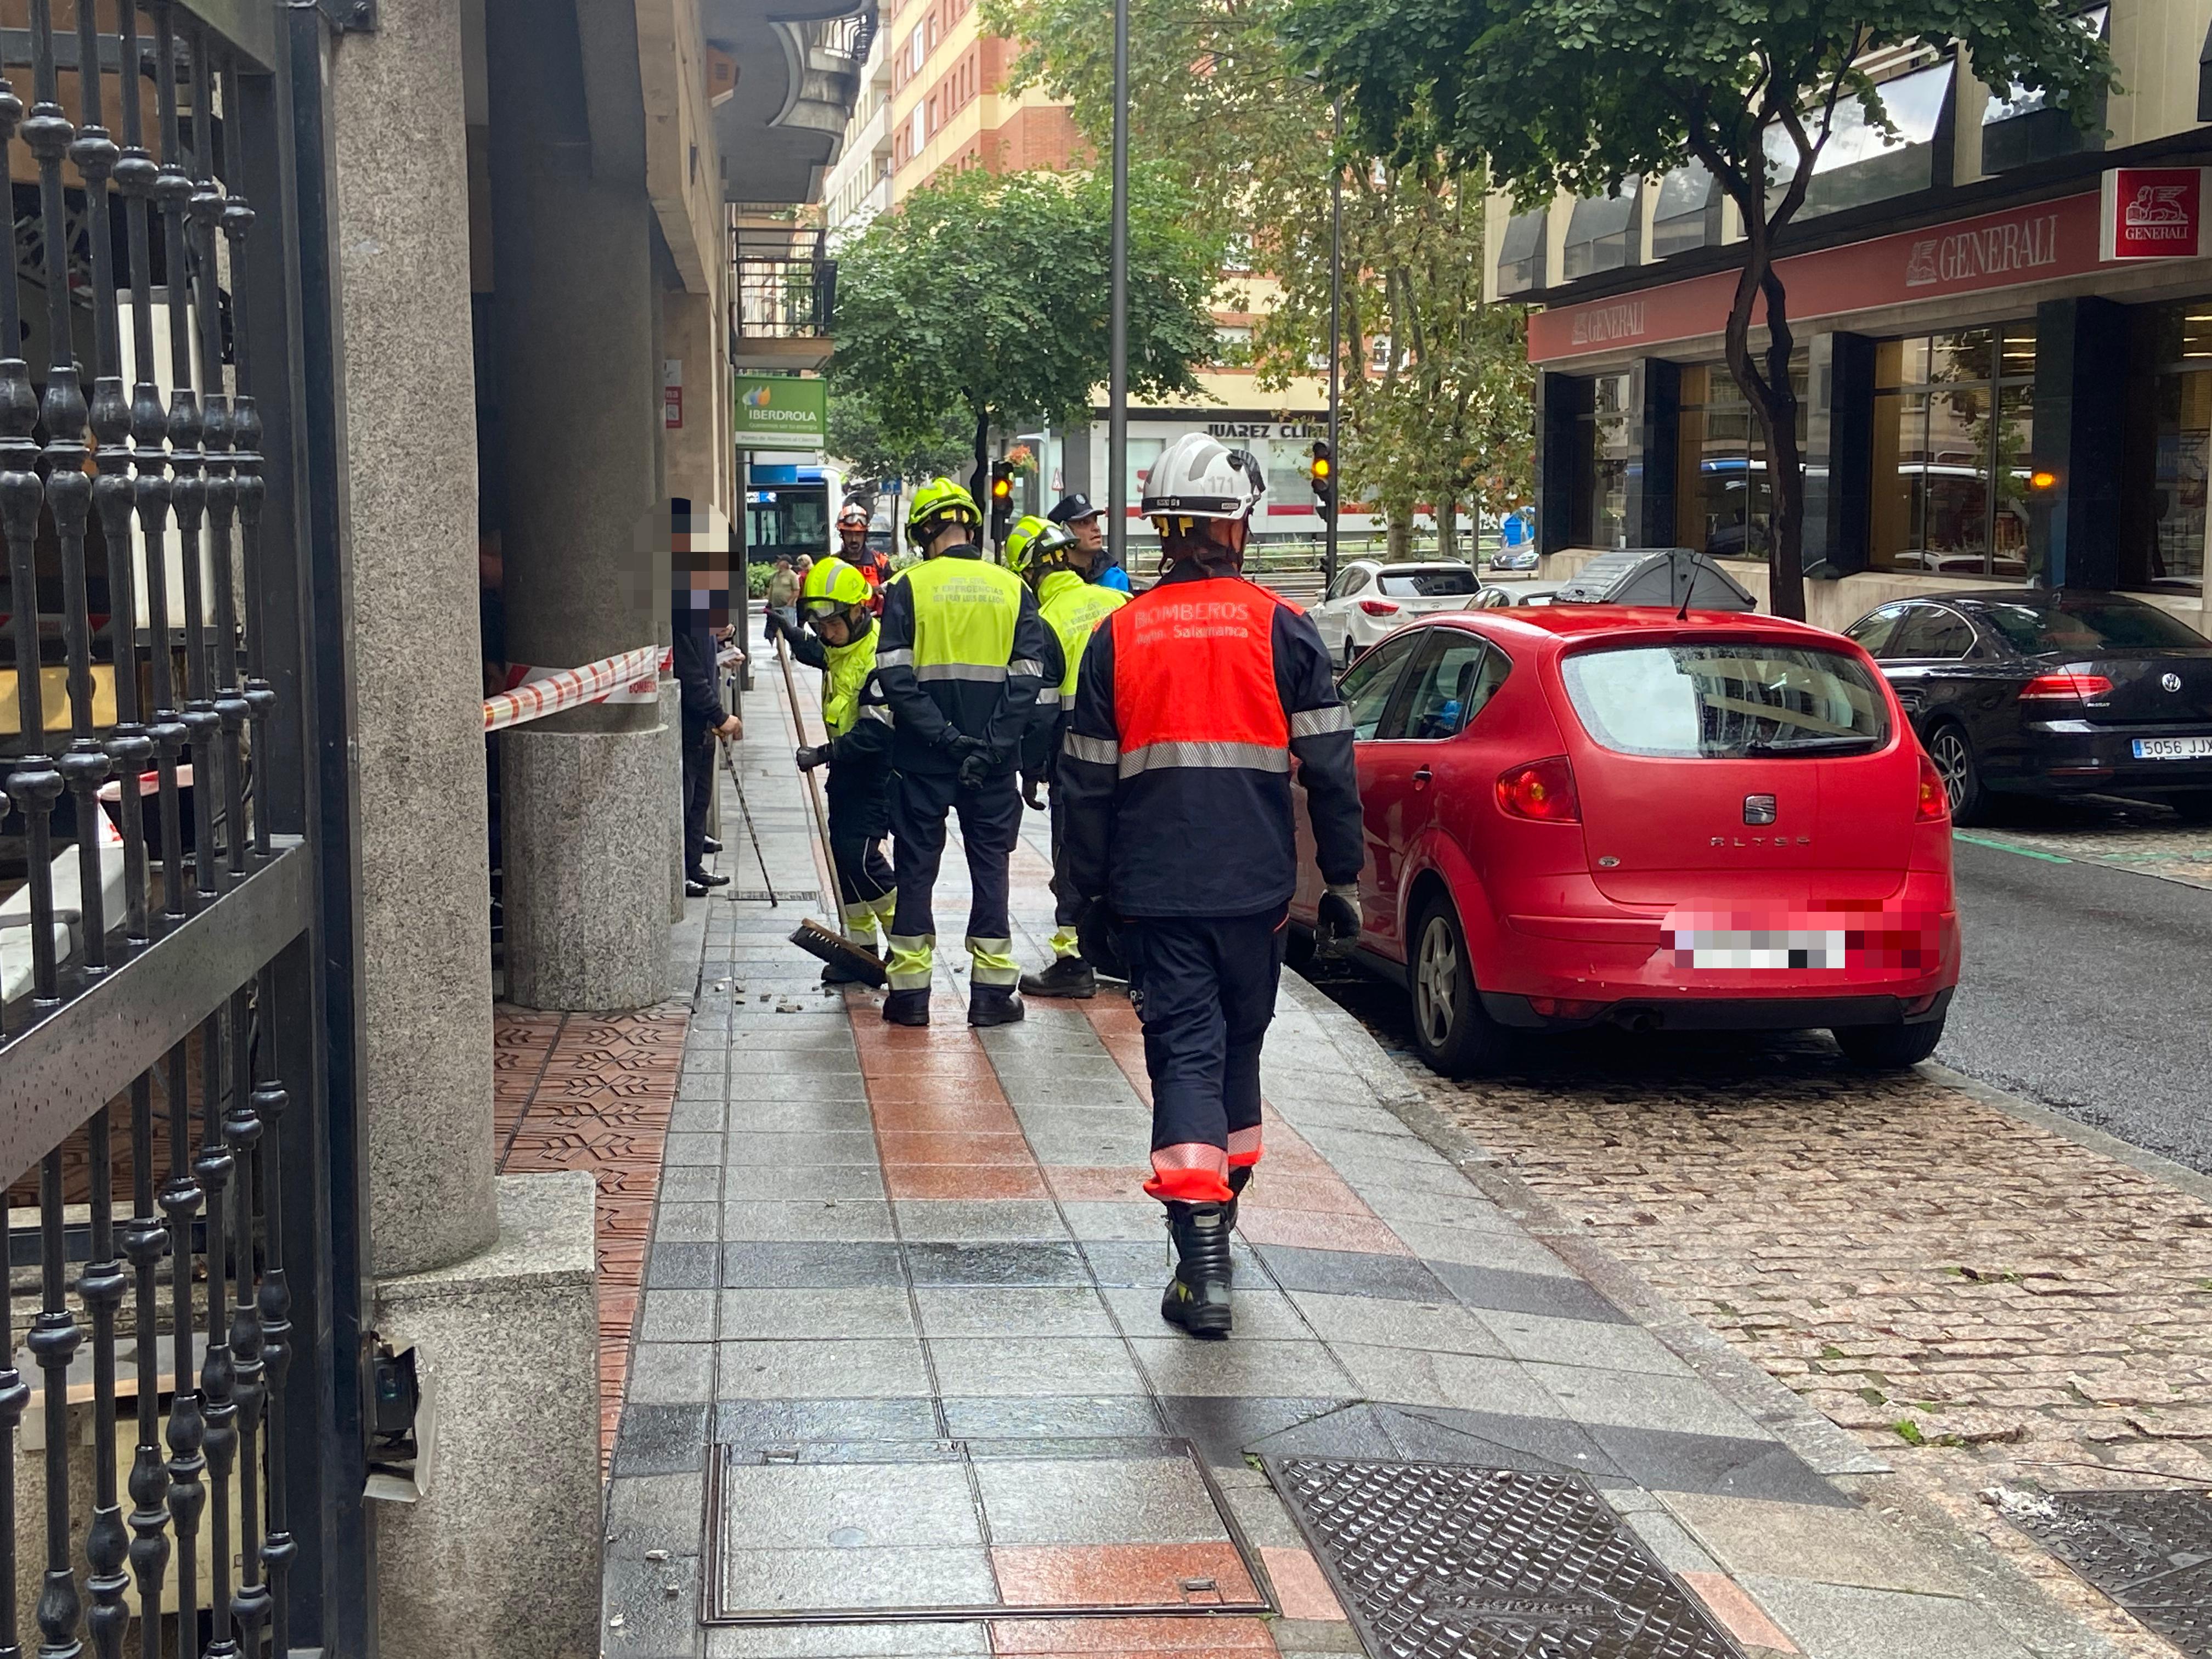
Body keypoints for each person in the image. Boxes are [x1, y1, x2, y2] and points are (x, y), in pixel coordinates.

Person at [1057, 432, 1364, 1339]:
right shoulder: (1284, 626)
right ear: (1239, 525)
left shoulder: (1121, 632)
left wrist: (1082, 900)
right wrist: (1340, 879)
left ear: (1161, 525)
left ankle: (1203, 1261)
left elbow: (1084, 784)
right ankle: (1215, 1229)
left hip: (1153, 890)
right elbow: (1333, 769)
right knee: (1237, 1052)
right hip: (1255, 892)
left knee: (1185, 1053)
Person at [873, 477, 1053, 1028]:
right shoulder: (1012, 587)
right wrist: (991, 747)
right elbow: (1028, 679)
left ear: (925, 530)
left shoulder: (908, 586)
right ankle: (992, 996)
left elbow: (895, 678)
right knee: (990, 869)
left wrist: (945, 739)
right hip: (992, 766)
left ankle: (909, 997)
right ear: (972, 526)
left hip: (922, 760)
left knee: (917, 870)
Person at [1003, 513, 1126, 999]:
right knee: (1127, 851)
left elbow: (1041, 708)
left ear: (1030, 573)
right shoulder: (1120, 601)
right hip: (1139, 756)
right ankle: (1130, 957)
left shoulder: (1045, 622)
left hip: (1077, 762)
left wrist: (1032, 768)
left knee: (1074, 857)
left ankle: (1073, 962)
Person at [768, 557, 897, 981]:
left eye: (833, 624)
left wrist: (821, 754)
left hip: (878, 774)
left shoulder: (879, 658)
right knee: (842, 860)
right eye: (820, 626)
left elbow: (876, 734)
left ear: (859, 611)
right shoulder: (842, 647)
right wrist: (792, 633)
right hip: (846, 773)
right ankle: (861, 949)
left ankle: (907, 941)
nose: (827, 634)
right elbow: (820, 654)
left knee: (861, 858)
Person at [674, 577, 744, 901]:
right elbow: (689, 677)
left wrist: (721, 654)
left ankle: (694, 865)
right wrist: (720, 715)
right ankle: (682, 872)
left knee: (700, 798)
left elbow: (704, 661)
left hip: (703, 724)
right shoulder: (681, 614)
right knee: (686, 800)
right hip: (690, 723)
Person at [1049, 491, 1130, 592]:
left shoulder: (1117, 577)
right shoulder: (1052, 582)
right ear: (1065, 532)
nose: (1096, 528)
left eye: (1095, 521)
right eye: (1084, 523)